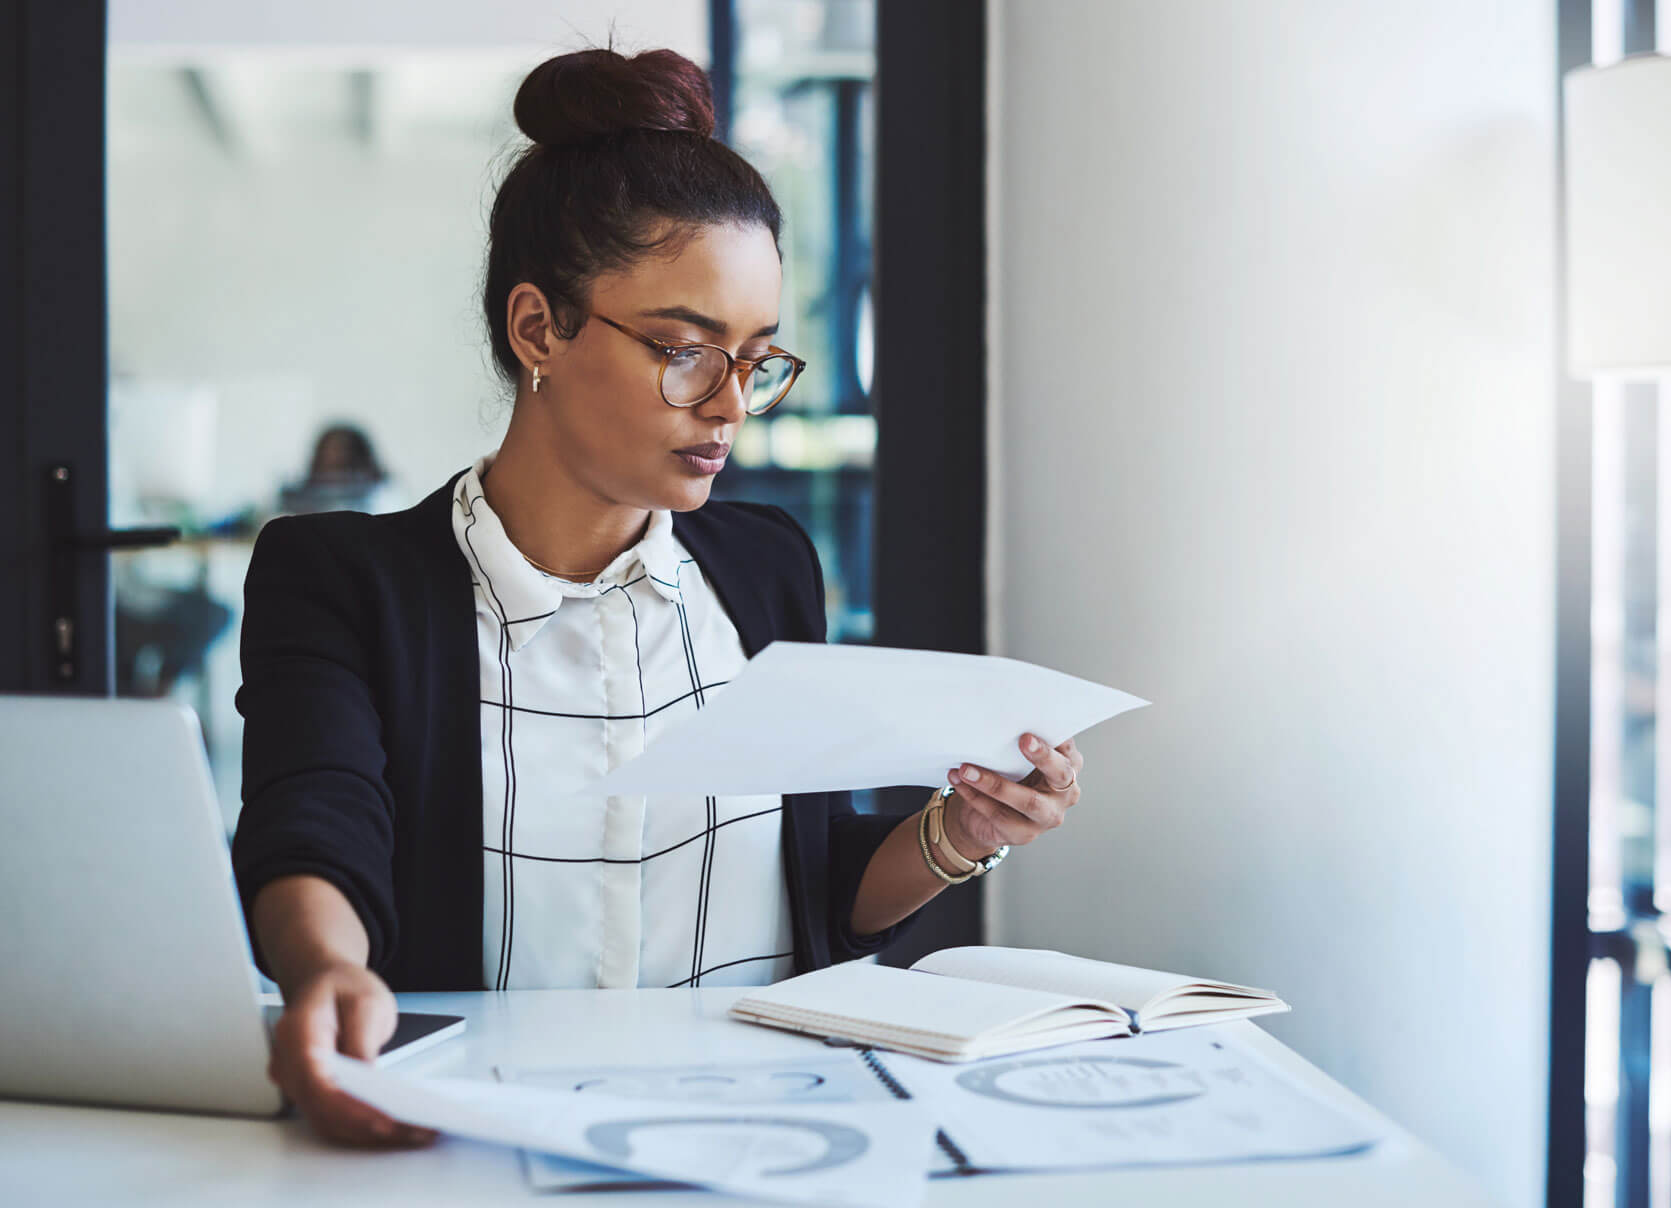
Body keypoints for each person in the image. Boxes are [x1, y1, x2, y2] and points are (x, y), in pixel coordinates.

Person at [228, 46, 1088, 1149]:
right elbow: (317, 820)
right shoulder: (345, 577)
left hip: (766, 1137)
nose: (732, 406)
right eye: (686, 350)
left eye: (758, 359)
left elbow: (808, 883)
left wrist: (959, 830)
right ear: (538, 328)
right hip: (479, 1141)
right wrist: (329, 968)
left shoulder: (768, 567)